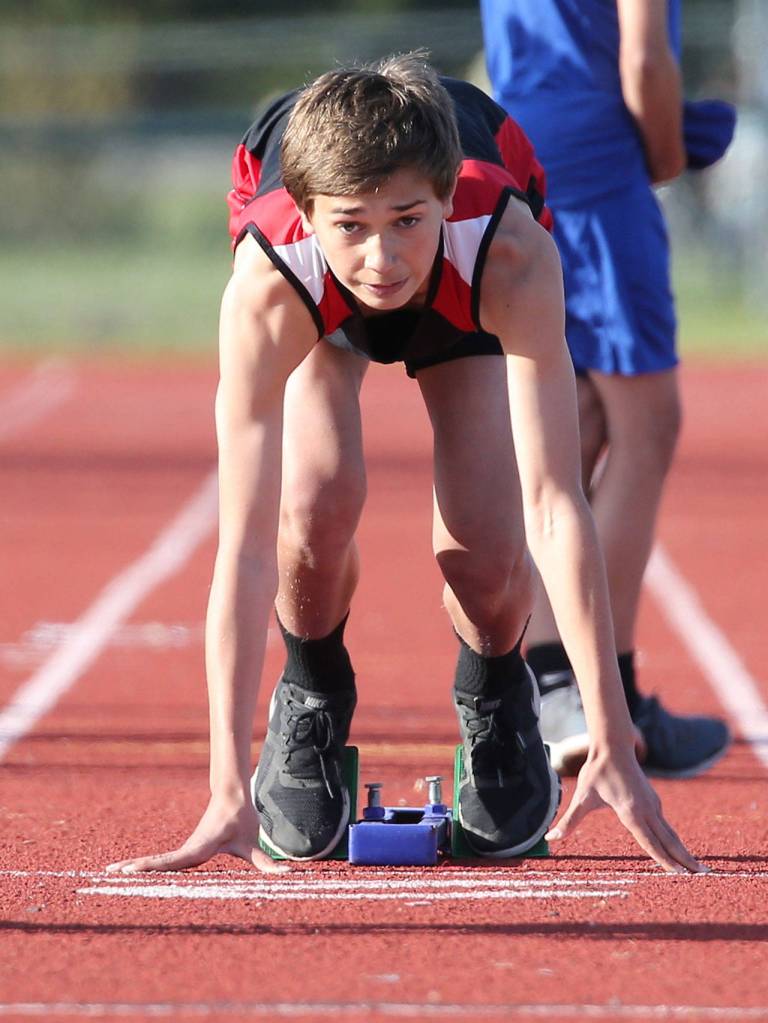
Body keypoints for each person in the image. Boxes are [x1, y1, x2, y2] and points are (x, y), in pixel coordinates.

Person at [106, 53, 705, 876]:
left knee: (486, 552)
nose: (382, 259)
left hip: (458, 295)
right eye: (352, 224)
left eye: (406, 221)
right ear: (311, 216)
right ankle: (312, 691)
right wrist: (223, 786)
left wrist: (612, 737)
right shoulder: (270, 283)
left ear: (447, 199)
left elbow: (557, 503)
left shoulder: (508, 251)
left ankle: (498, 692)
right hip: (321, 303)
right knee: (313, 509)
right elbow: (242, 548)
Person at [480, 0, 731, 777]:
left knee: (573, 421)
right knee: (647, 422)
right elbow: (644, 61)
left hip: (519, 148)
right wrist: (664, 156)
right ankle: (592, 686)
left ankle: (556, 688)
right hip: (598, 169)